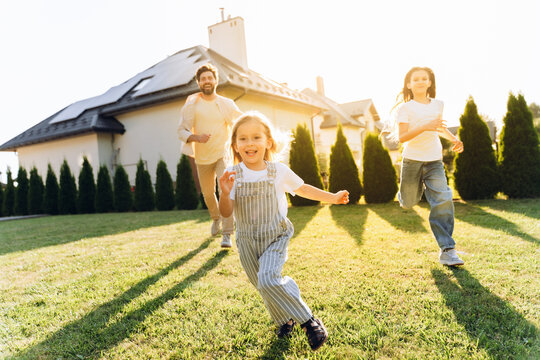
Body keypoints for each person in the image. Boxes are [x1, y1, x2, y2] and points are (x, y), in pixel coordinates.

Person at [218, 111, 349, 351]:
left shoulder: (278, 171)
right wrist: (225, 193)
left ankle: (309, 321)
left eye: (256, 137)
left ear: (268, 142)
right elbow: (226, 212)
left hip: (275, 236)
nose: (250, 143)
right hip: (246, 241)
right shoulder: (232, 174)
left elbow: (304, 189)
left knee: (268, 279)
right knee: (264, 285)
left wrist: (332, 197)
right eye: (243, 139)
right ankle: (284, 321)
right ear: (235, 145)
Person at [394, 66, 465, 266]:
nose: (420, 81)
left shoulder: (438, 104)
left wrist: (453, 138)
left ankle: (447, 250)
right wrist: (424, 126)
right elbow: (402, 137)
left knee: (443, 198)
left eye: (424, 78)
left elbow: (438, 127)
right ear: (409, 84)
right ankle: (404, 194)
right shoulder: (405, 108)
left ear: (430, 83)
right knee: (408, 202)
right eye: (415, 79)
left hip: (434, 159)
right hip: (412, 160)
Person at [178, 63, 242, 248]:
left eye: (209, 77)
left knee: (225, 192)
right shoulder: (191, 105)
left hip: (223, 154)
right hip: (202, 157)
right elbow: (181, 130)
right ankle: (216, 218)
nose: (207, 81)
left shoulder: (226, 104)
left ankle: (227, 234)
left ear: (216, 80)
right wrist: (196, 137)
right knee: (207, 194)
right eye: (203, 78)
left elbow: (240, 122)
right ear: (199, 82)